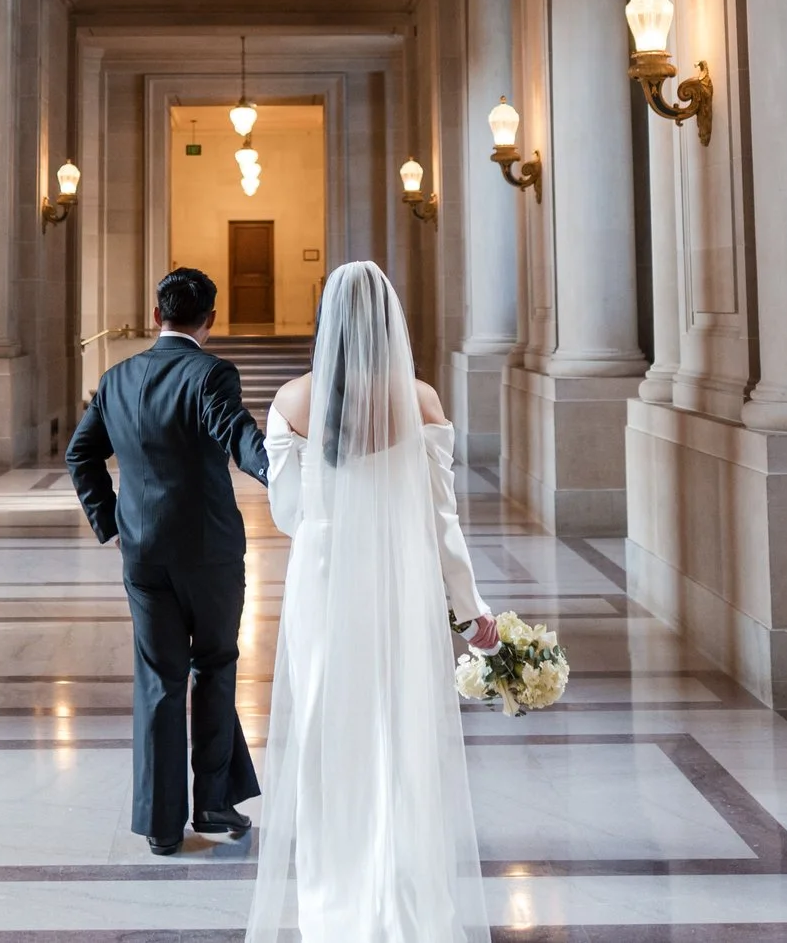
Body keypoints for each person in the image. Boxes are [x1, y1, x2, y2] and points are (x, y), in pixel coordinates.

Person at [248, 260, 499, 943]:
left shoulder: (293, 401)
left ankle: (335, 899)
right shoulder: (420, 400)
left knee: (328, 735)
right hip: (400, 585)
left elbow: (289, 515)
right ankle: (401, 896)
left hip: (324, 587)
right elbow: (442, 521)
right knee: (400, 733)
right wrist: (470, 608)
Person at [66, 266, 270, 856]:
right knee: (215, 665)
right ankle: (212, 802)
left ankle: (160, 824)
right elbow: (239, 438)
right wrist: (285, 474)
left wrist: (111, 524)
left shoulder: (116, 377)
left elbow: (81, 455)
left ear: (157, 315)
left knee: (159, 680)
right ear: (212, 320)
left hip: (143, 553)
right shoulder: (211, 373)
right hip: (209, 553)